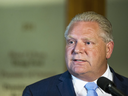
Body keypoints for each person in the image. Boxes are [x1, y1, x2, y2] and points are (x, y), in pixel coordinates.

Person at [22, 11, 128, 96]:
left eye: (87, 42)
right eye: (71, 42)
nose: (77, 49)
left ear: (108, 49)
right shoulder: (36, 92)